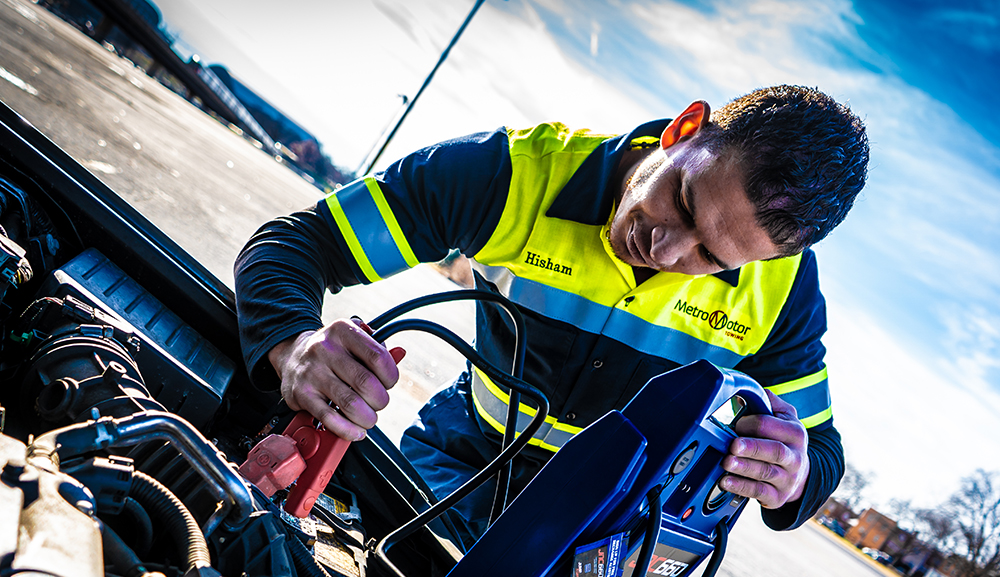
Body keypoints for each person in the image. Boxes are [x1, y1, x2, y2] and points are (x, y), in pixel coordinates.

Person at [235, 84, 869, 549]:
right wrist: (295, 346)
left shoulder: (785, 289)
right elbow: (298, 244)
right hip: (464, 452)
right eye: (682, 200)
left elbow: (821, 449)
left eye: (712, 257)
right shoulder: (517, 175)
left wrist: (794, 471)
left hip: (598, 529)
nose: (668, 250)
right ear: (684, 130)